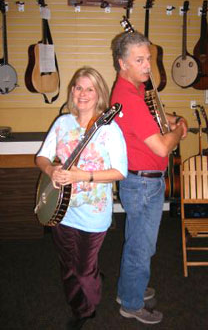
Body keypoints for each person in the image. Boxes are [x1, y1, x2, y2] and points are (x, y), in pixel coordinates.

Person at [35, 66, 127, 330]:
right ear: (71, 91)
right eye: (78, 87)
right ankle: (82, 308)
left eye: (89, 88)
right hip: (61, 209)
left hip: (93, 214)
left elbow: (119, 173)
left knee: (83, 269)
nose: (83, 93)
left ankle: (91, 299)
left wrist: (82, 176)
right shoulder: (62, 122)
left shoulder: (109, 130)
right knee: (67, 265)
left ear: (99, 93)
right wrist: (51, 169)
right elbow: (41, 156)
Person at [110, 31, 188, 324]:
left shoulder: (133, 90)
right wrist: (180, 130)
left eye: (149, 59)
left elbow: (149, 121)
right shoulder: (129, 96)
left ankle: (129, 288)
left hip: (141, 181)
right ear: (122, 63)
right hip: (144, 183)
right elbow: (161, 145)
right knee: (141, 248)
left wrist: (168, 121)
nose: (147, 66)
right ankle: (130, 303)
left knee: (139, 244)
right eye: (139, 60)